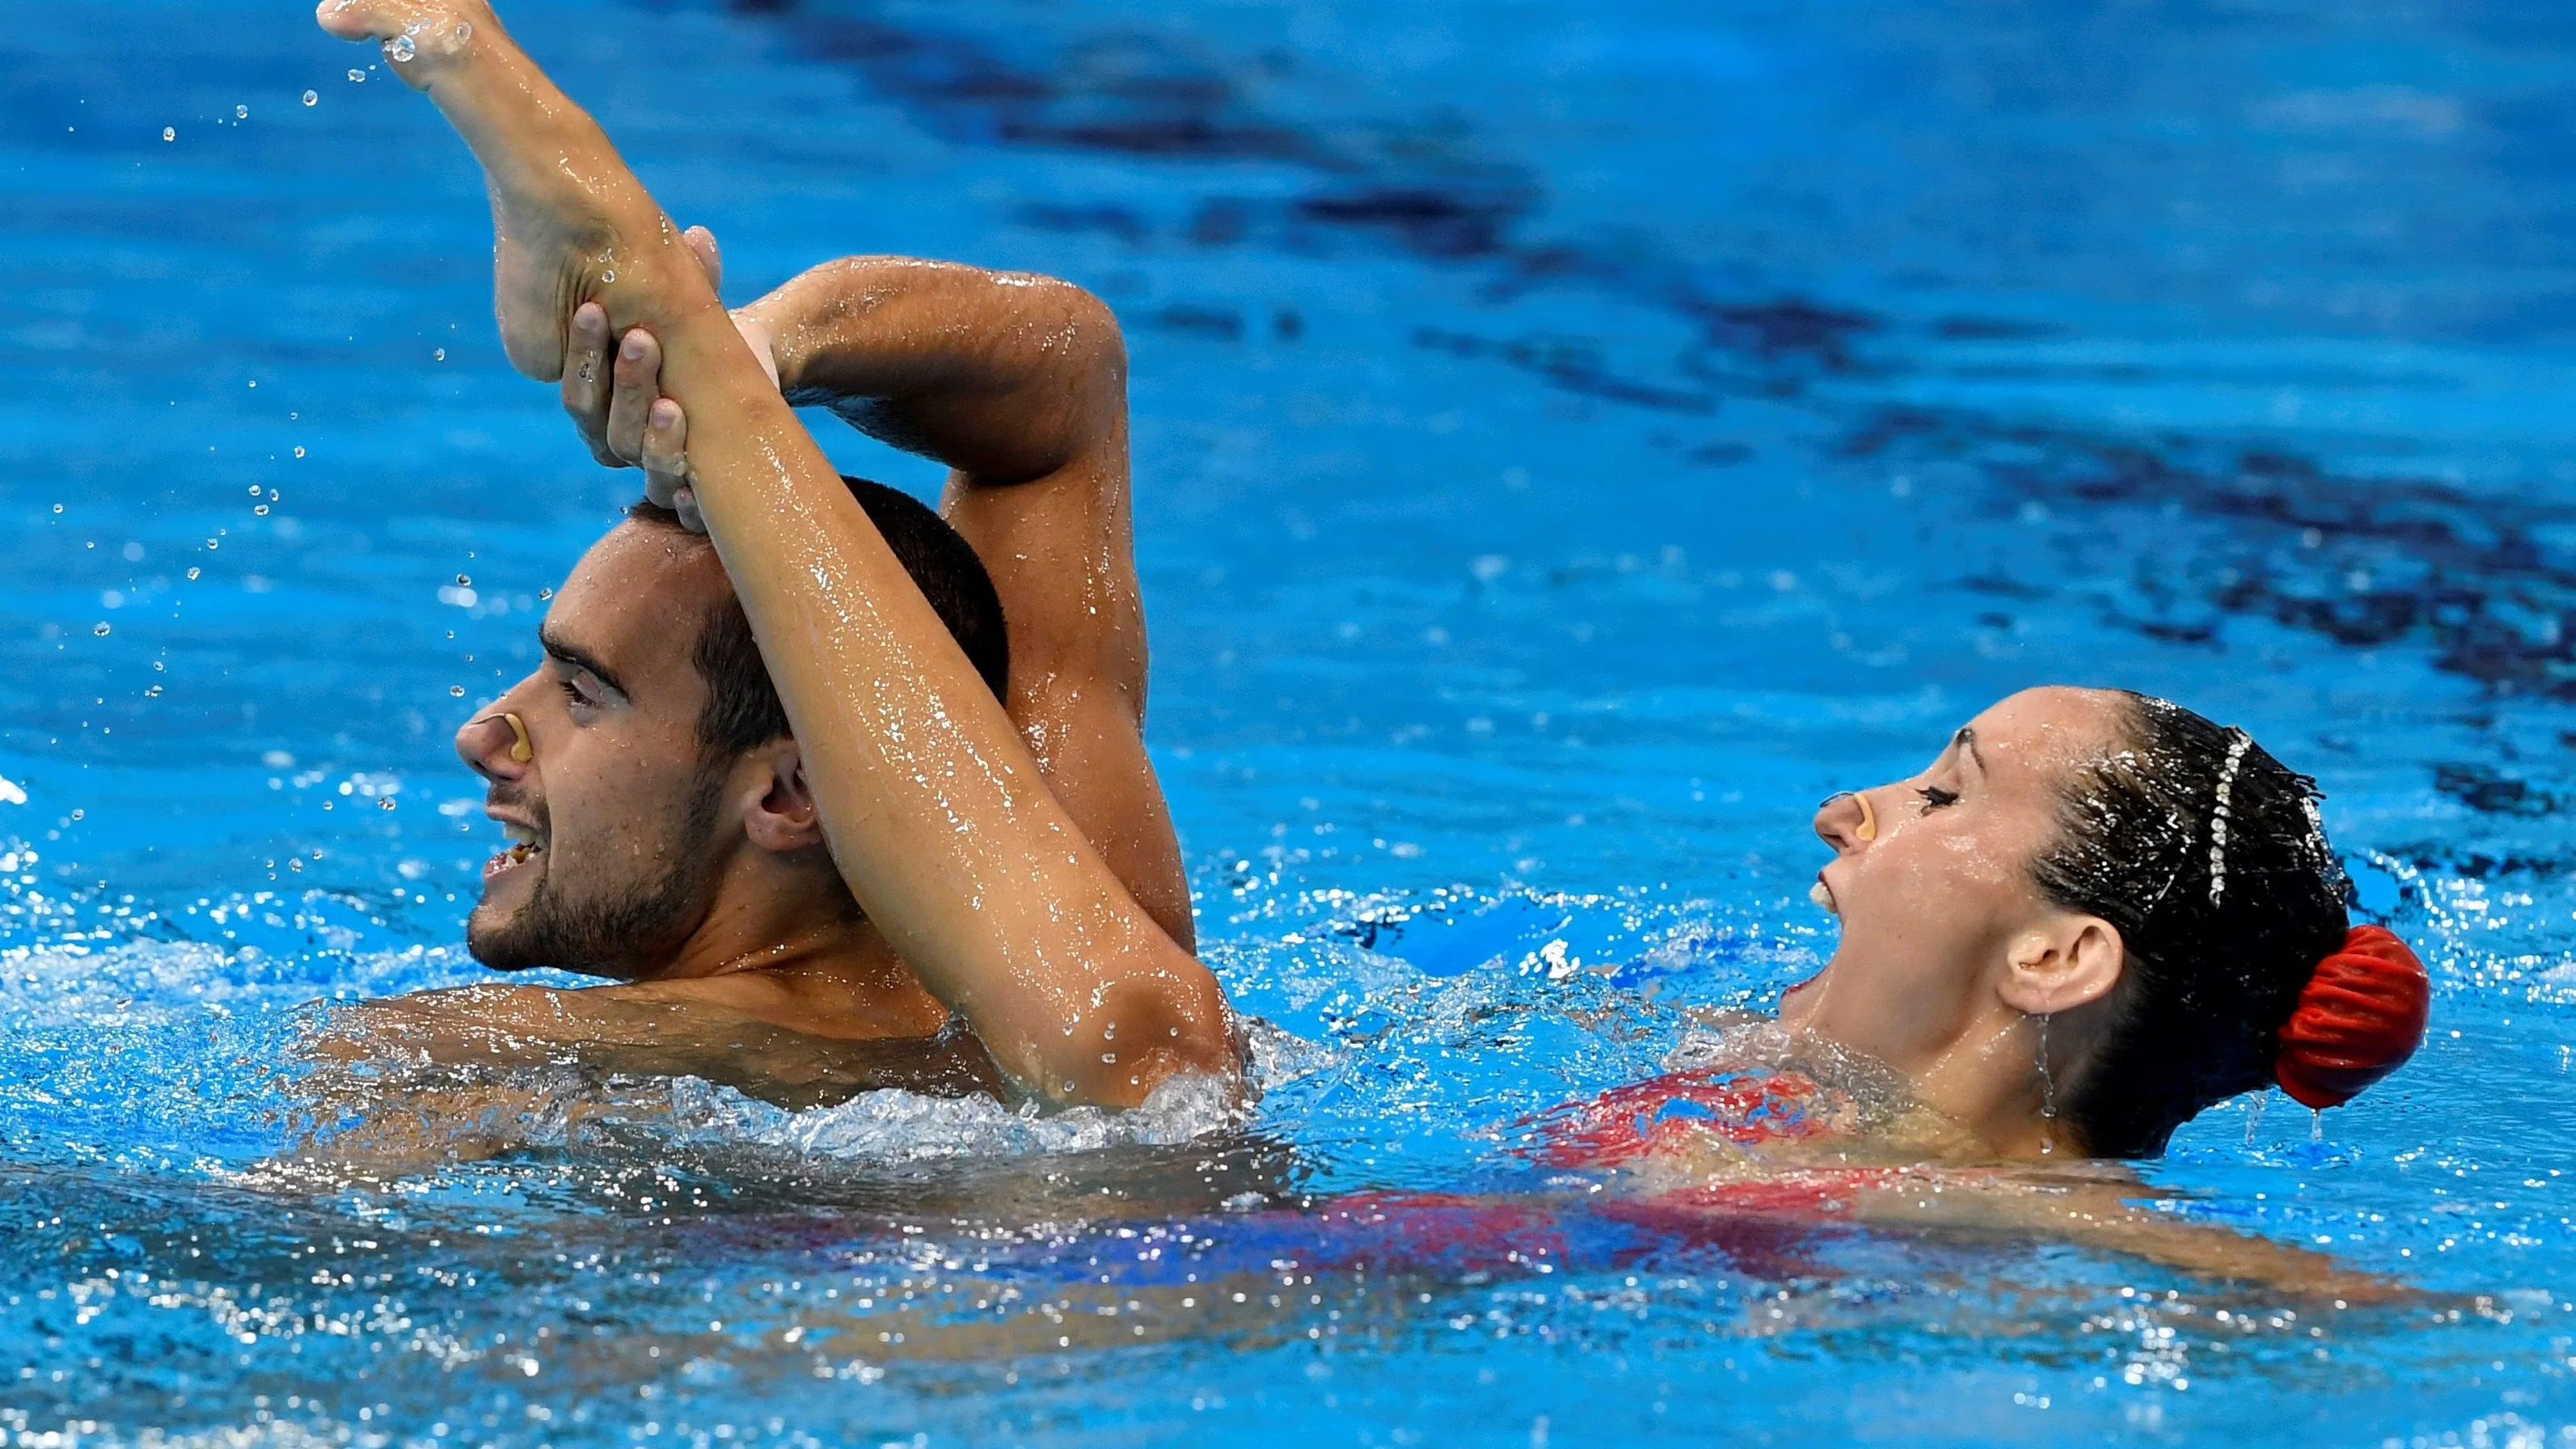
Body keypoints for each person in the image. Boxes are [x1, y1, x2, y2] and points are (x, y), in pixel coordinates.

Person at [309, 0, 1236, 1116]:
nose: (485, 732)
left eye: (582, 690)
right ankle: (701, 359)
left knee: (1131, 1050)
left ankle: (688, 350)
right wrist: (779, 343)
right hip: (1304, 1244)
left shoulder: (485, 1060)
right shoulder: (1096, 906)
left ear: (795, 792)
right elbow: (1064, 378)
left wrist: (728, 371)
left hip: (1102, 1250)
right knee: (1142, 1049)